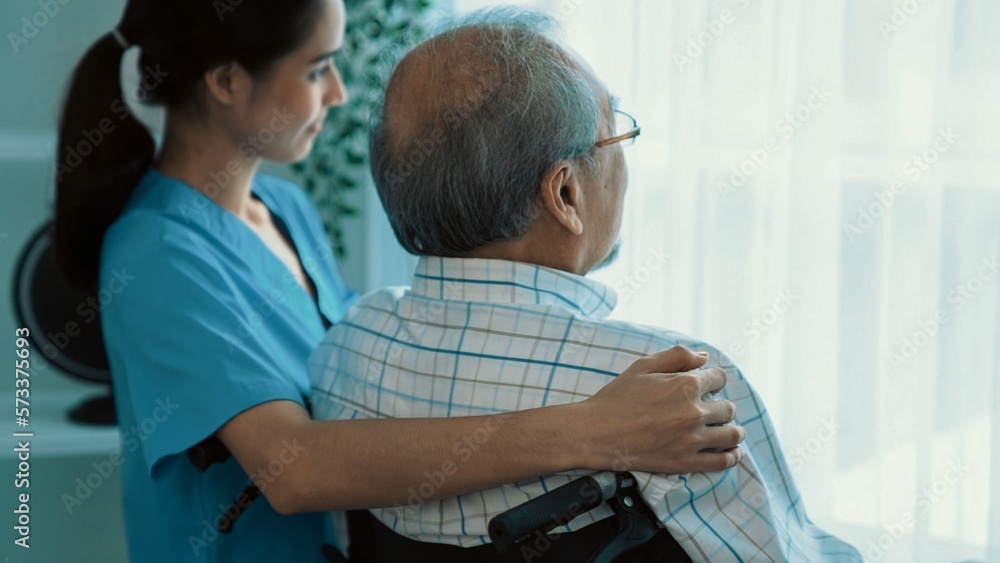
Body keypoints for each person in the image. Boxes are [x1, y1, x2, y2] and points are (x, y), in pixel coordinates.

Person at [52, 1, 745, 561]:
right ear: (228, 80)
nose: (340, 92)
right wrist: (596, 430)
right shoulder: (155, 253)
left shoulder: (286, 210)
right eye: (318, 67)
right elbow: (295, 468)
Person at [309, 8, 862, 562]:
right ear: (565, 195)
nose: (623, 154)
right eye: (615, 130)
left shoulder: (345, 347)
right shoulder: (669, 387)